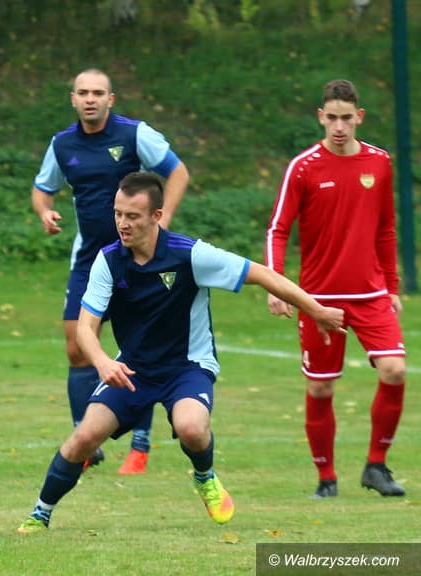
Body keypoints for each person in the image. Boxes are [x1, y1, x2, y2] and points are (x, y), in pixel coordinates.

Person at [17, 172, 345, 533]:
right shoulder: (108, 261)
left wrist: (316, 310)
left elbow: (261, 274)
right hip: (133, 369)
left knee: (191, 428)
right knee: (84, 437)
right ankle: (39, 514)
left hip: (186, 367)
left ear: (156, 216)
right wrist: (102, 361)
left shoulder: (191, 255)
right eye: (118, 214)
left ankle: (204, 476)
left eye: (133, 216)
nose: (123, 224)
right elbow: (85, 327)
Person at [31, 68, 191, 474]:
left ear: (110, 99)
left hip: (137, 257)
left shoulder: (135, 135)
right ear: (73, 99)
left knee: (141, 346)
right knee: (76, 346)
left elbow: (177, 172)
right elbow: (42, 188)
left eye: (98, 93)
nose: (90, 99)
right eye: (83, 93)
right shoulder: (62, 144)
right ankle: (85, 443)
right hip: (89, 258)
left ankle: (140, 446)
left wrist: (165, 220)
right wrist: (45, 211)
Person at [265, 79, 407, 499]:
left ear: (359, 117)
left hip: (371, 293)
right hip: (318, 298)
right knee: (321, 387)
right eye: (332, 118)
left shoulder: (379, 162)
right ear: (321, 117)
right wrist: (277, 285)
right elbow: (278, 229)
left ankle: (376, 467)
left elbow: (385, 228)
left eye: (347, 118)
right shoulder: (303, 167)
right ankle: (326, 479)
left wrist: (392, 285)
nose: (339, 126)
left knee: (395, 370)